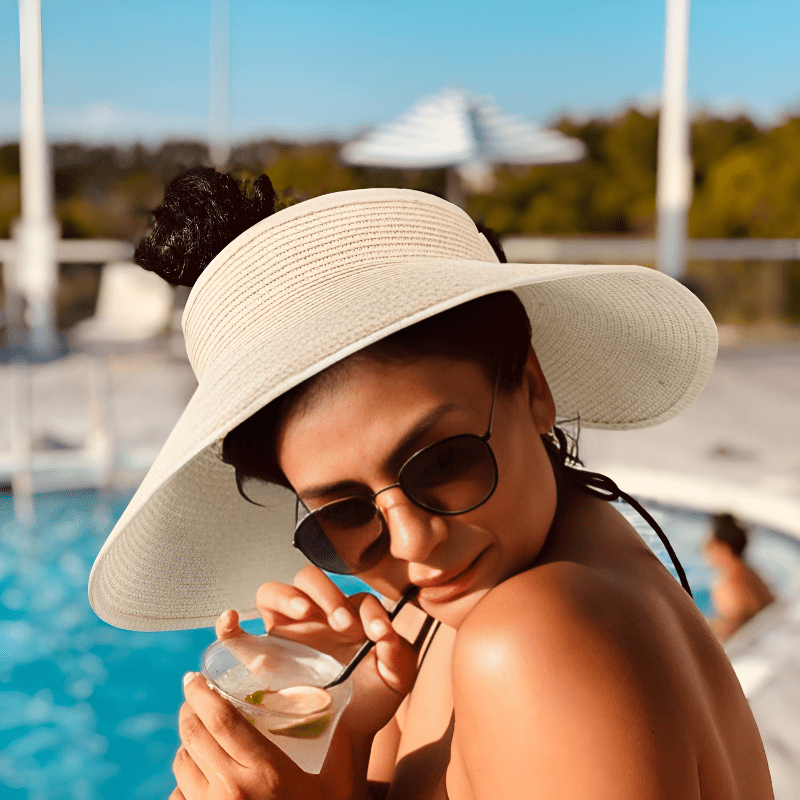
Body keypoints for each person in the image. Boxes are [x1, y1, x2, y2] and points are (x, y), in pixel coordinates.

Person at [88, 167, 774, 799]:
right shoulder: (442, 613)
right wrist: (336, 738)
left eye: (444, 462)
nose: (413, 541)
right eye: (347, 512)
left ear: (533, 388)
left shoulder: (533, 638)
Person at [705, 513, 776, 643]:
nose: (704, 548)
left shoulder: (732, 585)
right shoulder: (750, 575)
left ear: (724, 548)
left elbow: (736, 632)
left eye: (710, 543)